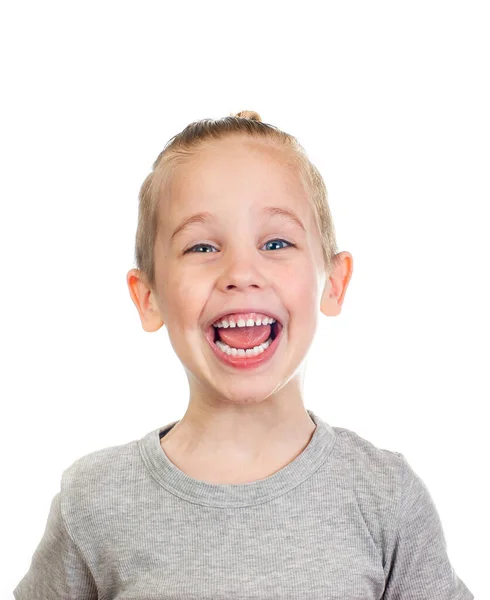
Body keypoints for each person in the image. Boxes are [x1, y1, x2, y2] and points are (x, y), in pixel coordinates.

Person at [14, 111, 473, 599]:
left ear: (334, 283)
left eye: (276, 242)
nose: (241, 272)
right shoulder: (94, 502)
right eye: (202, 247)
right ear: (147, 297)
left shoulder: (385, 496)